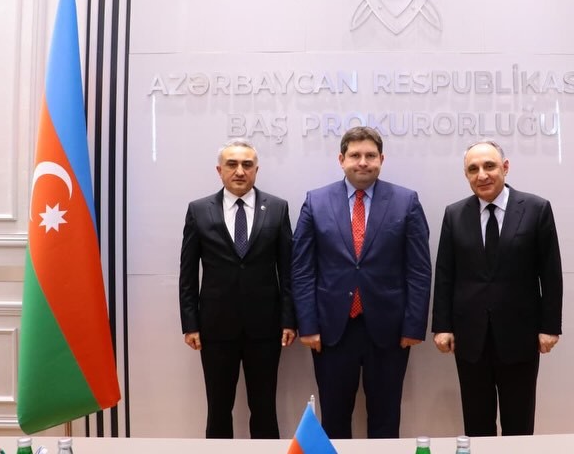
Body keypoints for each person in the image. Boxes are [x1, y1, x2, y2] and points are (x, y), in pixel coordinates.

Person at [291, 126, 431, 439]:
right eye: (355, 155)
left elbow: (419, 269)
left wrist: (413, 326)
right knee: (334, 419)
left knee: (386, 418)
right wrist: (308, 325)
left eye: (370, 155)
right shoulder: (315, 201)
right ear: (341, 159)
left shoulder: (406, 201)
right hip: (331, 331)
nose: (363, 162)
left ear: (382, 159)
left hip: (389, 331)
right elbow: (302, 269)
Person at [431, 139, 563, 436]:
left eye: (489, 166)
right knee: (476, 424)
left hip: (520, 336)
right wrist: (442, 326)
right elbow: (445, 274)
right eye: (473, 169)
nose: (482, 175)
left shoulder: (536, 209)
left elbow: (551, 273)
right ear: (466, 174)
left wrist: (550, 327)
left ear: (505, 167)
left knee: (519, 423)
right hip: (470, 338)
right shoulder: (454, 214)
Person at [179, 139, 296, 439]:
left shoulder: (278, 208)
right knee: (218, 410)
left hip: (266, 329)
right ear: (219, 170)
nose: (240, 171)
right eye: (232, 164)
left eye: (247, 165)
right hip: (215, 328)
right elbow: (188, 274)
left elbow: (288, 271)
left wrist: (289, 320)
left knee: (264, 409)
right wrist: (190, 324)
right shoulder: (199, 210)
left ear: (257, 169)